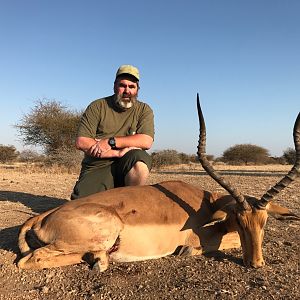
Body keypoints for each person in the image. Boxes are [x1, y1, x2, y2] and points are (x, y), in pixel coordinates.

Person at [71, 65, 154, 199]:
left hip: (127, 161)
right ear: (114, 86)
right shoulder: (97, 106)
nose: (127, 90)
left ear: (137, 89)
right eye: (122, 85)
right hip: (98, 163)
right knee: (81, 205)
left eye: (131, 87)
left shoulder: (144, 109)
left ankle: (130, 203)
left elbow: (146, 141)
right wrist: (117, 152)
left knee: (140, 159)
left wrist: (109, 142)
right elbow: (82, 142)